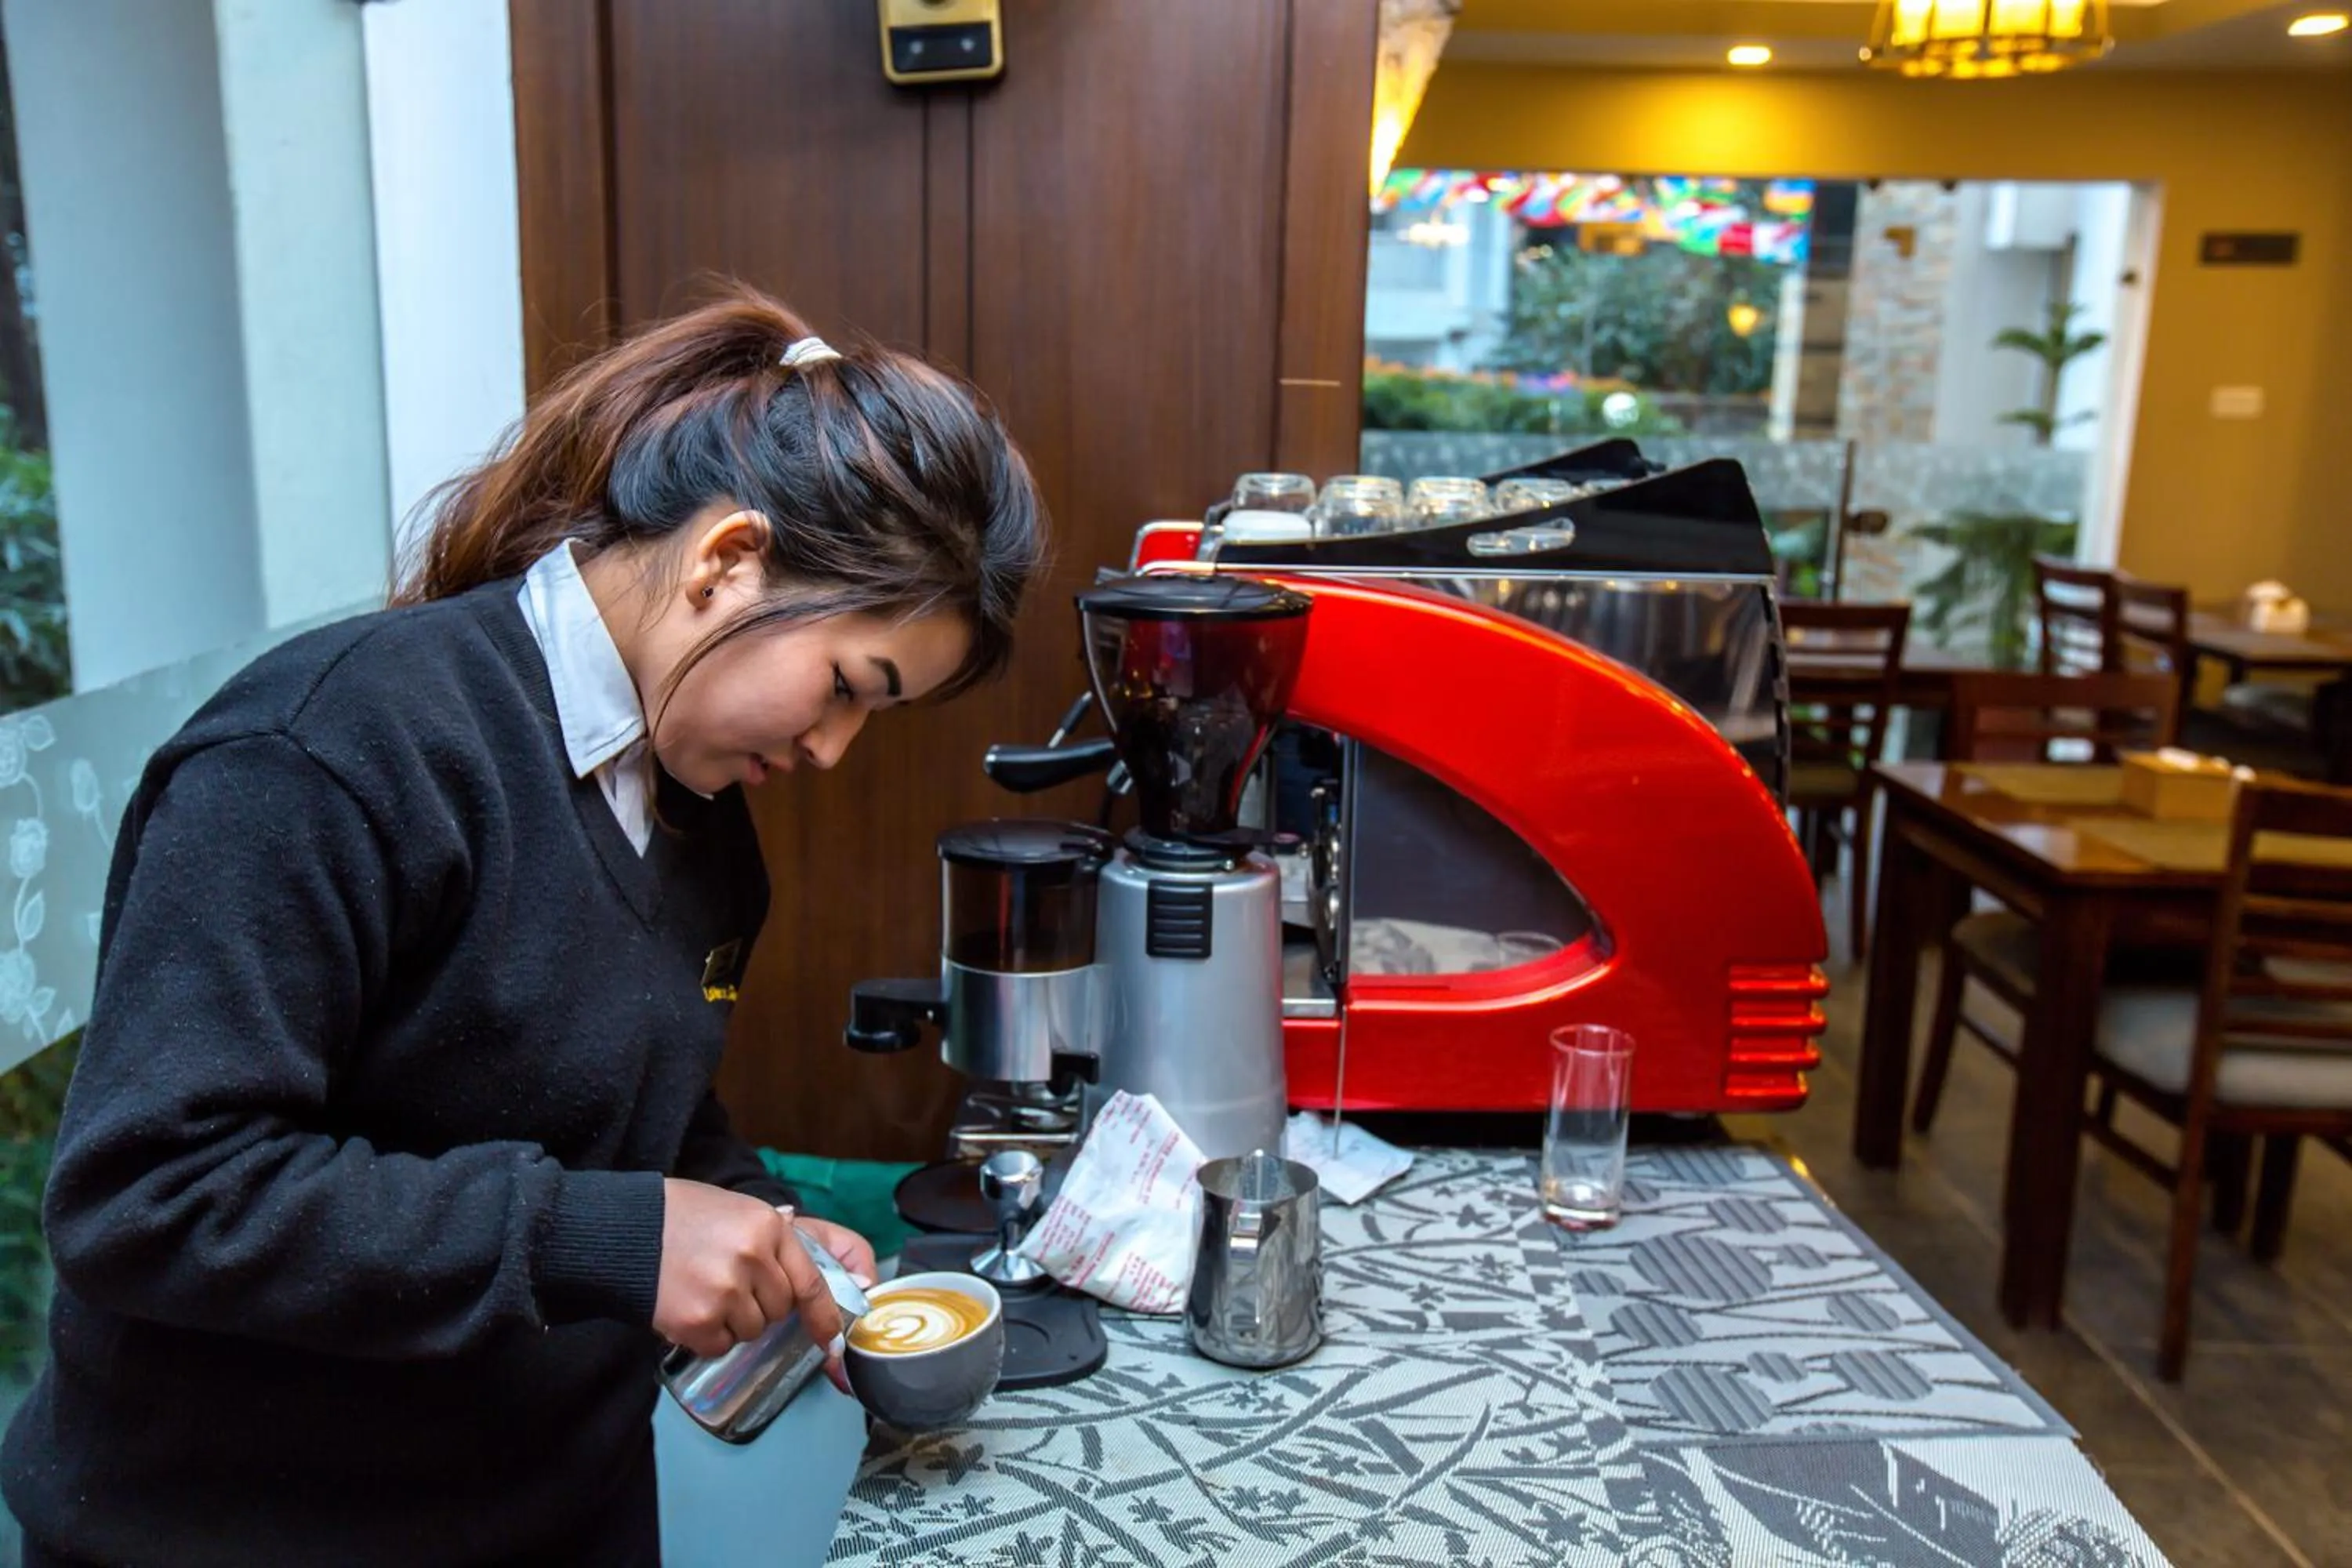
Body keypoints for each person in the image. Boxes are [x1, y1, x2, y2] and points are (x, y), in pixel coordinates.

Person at [0, 286, 1046, 1566]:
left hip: (554, 1512)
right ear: (727, 560)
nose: (834, 748)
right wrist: (602, 1239)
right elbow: (149, 1194)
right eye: (845, 686)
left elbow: (622, 1108)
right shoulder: (328, 752)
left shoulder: (699, 821)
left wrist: (752, 1214)